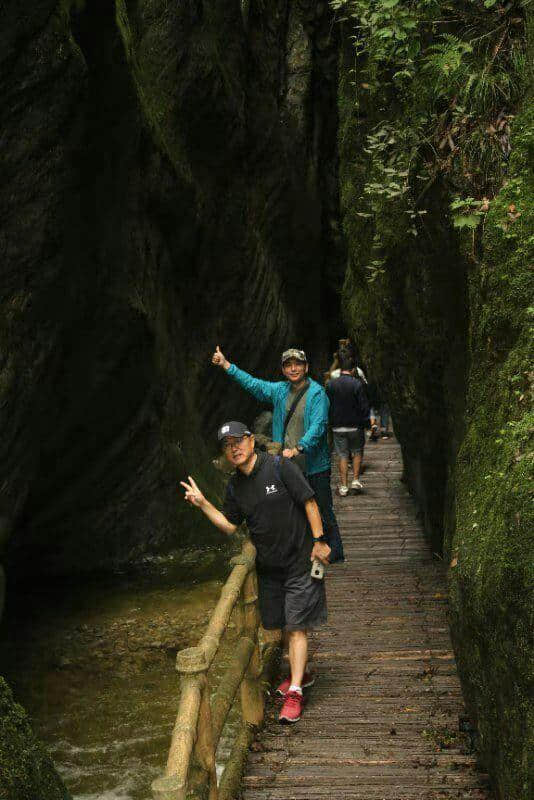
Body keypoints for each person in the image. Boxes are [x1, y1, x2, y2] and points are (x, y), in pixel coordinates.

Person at [180, 421, 331, 724]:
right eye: (227, 445)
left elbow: (309, 501)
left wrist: (319, 541)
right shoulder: (235, 486)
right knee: (283, 625)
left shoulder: (279, 467)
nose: (233, 448)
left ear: (251, 441)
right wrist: (203, 504)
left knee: (297, 626)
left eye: (238, 441)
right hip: (270, 568)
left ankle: (296, 691)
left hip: (300, 560)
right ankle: (299, 673)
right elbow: (230, 525)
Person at [211, 346, 345, 563]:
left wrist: (299, 448)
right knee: (295, 510)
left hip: (313, 466)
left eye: (298, 364)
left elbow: (318, 426)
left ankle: (336, 553)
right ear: (283, 369)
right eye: (288, 365)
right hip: (286, 465)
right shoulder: (280, 391)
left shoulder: (317, 394)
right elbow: (253, 384)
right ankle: (306, 549)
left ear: (306, 367)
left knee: (322, 507)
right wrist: (227, 366)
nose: (293, 369)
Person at [326, 353, 370, 496]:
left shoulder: (331, 384)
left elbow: (327, 404)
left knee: (342, 455)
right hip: (355, 425)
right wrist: (366, 423)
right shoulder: (357, 384)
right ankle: (355, 480)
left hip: (337, 425)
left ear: (340, 369)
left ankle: (344, 486)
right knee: (357, 451)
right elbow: (364, 406)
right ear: (353, 370)